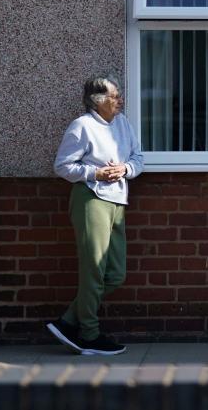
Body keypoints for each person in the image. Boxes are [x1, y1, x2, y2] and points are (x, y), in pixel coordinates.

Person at [48, 75, 143, 355]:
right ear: (97, 101)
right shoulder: (82, 126)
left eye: (118, 95)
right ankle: (88, 334)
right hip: (90, 200)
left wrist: (125, 169)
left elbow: (139, 159)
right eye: (114, 96)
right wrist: (96, 172)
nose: (120, 100)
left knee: (115, 274)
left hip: (117, 201)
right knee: (93, 272)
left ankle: (67, 321)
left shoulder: (123, 124)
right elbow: (63, 166)